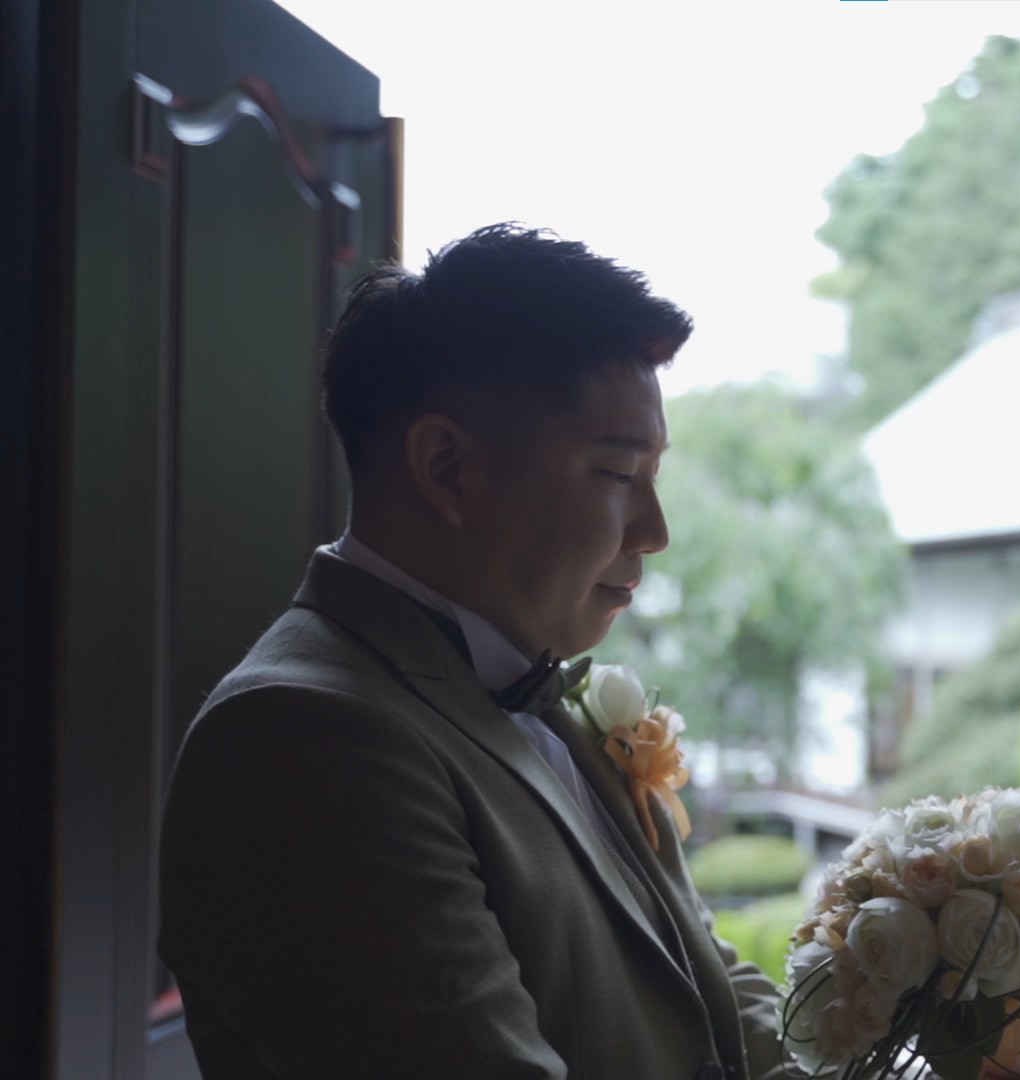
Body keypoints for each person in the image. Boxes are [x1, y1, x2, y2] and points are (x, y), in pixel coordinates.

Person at [157, 224, 783, 1080]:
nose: (655, 530)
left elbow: (700, 973)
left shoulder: (544, 679)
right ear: (447, 467)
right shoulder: (304, 738)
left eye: (654, 478)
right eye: (615, 474)